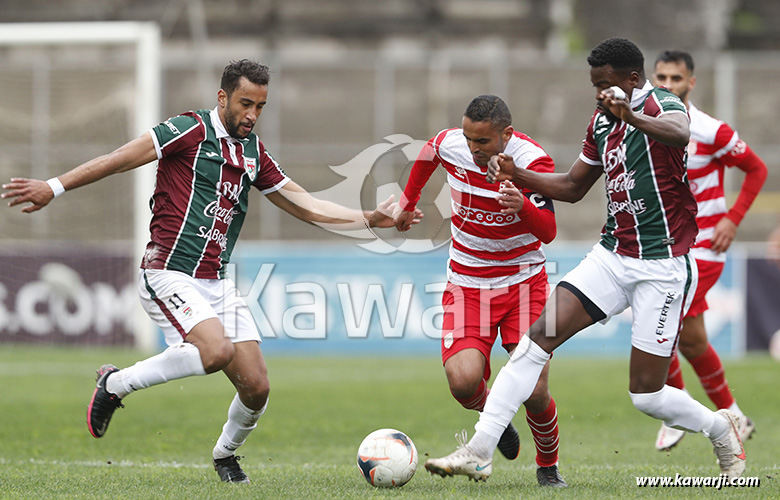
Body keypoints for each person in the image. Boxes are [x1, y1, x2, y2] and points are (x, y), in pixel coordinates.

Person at [1, 59, 420, 484]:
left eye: (260, 106)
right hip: (167, 271)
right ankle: (115, 384)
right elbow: (118, 159)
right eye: (245, 104)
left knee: (257, 387)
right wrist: (53, 186)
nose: (252, 115)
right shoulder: (189, 130)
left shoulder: (254, 153)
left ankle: (225, 455)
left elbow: (307, 205)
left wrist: (370, 218)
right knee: (215, 351)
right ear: (223, 97)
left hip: (215, 281)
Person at [423, 37, 747, 483]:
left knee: (647, 396)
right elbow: (574, 187)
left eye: (605, 84)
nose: (598, 93)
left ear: (632, 79)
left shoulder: (663, 103)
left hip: (662, 266)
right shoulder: (601, 121)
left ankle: (720, 428)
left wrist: (631, 116)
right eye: (594, 85)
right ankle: (479, 451)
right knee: (536, 341)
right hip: (612, 257)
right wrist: (518, 174)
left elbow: (679, 133)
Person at [394, 95, 566, 486]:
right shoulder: (453, 143)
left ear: (507, 135)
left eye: (483, 141)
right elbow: (429, 151)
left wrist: (522, 205)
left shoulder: (532, 161)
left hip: (524, 284)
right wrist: (407, 202)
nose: (473, 148)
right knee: (462, 382)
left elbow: (549, 231)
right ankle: (495, 417)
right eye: (469, 139)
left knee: (535, 390)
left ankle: (548, 467)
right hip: (468, 284)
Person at [651, 49, 767, 451]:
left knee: (658, 323)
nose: (668, 86)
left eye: (676, 78)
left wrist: (732, 219)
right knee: (693, 341)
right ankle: (734, 416)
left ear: (691, 82)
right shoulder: (646, 125)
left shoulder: (709, 130)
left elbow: (757, 169)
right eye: (661, 78)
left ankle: (676, 412)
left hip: (704, 249)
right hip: (666, 247)